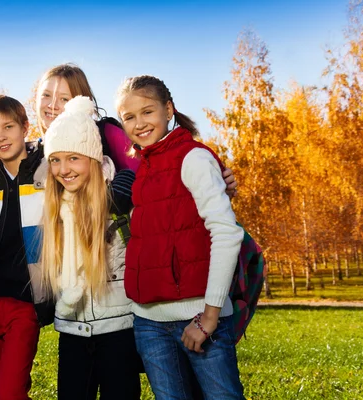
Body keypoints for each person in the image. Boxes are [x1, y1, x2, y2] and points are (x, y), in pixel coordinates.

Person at [116, 75, 245, 400]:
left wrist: (209, 317)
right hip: (149, 323)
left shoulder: (193, 158)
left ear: (168, 108)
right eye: (129, 117)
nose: (139, 123)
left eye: (147, 112)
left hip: (200, 318)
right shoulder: (142, 169)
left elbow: (227, 234)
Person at [41, 96, 141, 400]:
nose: (63, 169)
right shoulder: (55, 207)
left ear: (93, 158)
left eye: (74, 158)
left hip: (118, 330)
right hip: (72, 332)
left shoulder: (120, 203)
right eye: (55, 160)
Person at [35, 63, 237, 198]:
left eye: (64, 99)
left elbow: (155, 176)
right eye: (45, 95)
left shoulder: (106, 136)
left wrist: (211, 182)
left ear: (82, 102)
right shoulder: (32, 153)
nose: (52, 105)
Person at [0, 94, 54, 400]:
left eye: (8, 127)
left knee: (9, 392)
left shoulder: (47, 172)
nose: (1, 137)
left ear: (25, 126)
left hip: (24, 303)